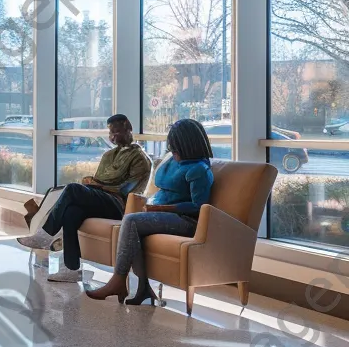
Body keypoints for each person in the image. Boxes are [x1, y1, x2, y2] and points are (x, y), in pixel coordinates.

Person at [85, 118, 214, 305]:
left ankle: (118, 280)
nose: (172, 151)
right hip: (163, 214)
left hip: (184, 220)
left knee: (131, 221)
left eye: (176, 147)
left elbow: (199, 207)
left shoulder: (199, 169)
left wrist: (162, 208)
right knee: (134, 229)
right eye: (171, 147)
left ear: (188, 145)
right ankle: (143, 288)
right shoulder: (175, 161)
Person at [16, 114, 151, 283]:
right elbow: (101, 179)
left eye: (117, 132)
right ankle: (71, 269)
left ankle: (47, 233)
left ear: (129, 129)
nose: (113, 136)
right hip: (101, 199)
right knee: (71, 213)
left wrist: (98, 186)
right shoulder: (108, 156)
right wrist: (93, 183)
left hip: (118, 204)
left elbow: (127, 189)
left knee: (72, 188)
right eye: (111, 133)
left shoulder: (140, 158)